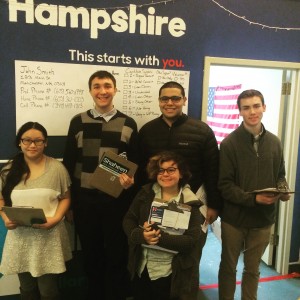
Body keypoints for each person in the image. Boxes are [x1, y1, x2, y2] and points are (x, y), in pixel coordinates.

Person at [62, 70, 138, 300]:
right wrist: (71, 206)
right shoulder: (78, 122)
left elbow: (135, 163)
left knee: (117, 255)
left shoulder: (129, 123)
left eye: (107, 86)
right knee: (91, 256)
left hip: (116, 203)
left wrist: (130, 181)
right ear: (90, 91)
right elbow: (68, 164)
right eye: (97, 86)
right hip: (85, 203)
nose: (102, 91)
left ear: (115, 89)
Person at [218, 89, 291, 300]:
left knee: (252, 270)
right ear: (240, 111)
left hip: (263, 219)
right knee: (228, 268)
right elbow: (224, 185)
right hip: (234, 220)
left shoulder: (275, 143)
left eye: (256, 106)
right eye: (246, 107)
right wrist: (253, 199)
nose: (252, 111)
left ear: (264, 107)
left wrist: (283, 190)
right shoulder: (230, 144)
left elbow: (280, 175)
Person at [137, 81, 222, 261]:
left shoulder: (202, 131)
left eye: (175, 98)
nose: (170, 103)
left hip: (193, 205)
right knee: (158, 253)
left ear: (184, 100)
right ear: (159, 101)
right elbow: (140, 172)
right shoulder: (147, 131)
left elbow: (212, 171)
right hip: (156, 202)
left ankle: (187, 289)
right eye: (164, 98)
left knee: (190, 256)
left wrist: (214, 205)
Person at [0, 121, 72, 300]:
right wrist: (5, 217)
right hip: (20, 238)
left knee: (48, 290)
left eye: (38, 141)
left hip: (49, 237)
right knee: (26, 287)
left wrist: (56, 219)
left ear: (45, 143)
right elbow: (1, 198)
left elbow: (66, 198)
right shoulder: (9, 169)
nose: (32, 145)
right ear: (20, 142)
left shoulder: (57, 168)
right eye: (27, 140)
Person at [123, 151, 203, 300]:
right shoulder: (145, 193)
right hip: (142, 267)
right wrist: (140, 235)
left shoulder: (191, 203)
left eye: (171, 170)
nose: (165, 174)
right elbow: (128, 219)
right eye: (161, 170)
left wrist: (158, 238)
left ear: (181, 173)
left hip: (171, 273)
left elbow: (191, 241)